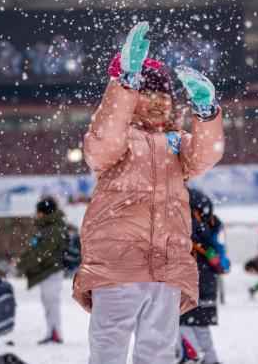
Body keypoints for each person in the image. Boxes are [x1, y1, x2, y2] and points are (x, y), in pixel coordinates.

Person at [72, 22, 224, 364]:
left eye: (164, 95)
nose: (157, 102)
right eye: (148, 93)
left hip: (167, 269)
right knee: (108, 350)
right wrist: (125, 82)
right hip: (118, 267)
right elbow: (103, 138)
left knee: (157, 353)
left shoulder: (176, 143)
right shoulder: (117, 140)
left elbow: (206, 154)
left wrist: (207, 111)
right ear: (131, 98)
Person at [179, 189, 229, 364]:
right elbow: (220, 250)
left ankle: (192, 355)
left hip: (190, 277)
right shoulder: (214, 223)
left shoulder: (186, 224)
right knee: (200, 323)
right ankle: (210, 357)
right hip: (208, 277)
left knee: (182, 321)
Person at [18, 196, 68, 345]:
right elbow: (38, 250)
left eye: (38, 212)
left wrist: (24, 263)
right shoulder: (48, 228)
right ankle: (51, 331)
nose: (36, 214)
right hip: (48, 270)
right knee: (48, 302)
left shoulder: (53, 229)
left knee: (51, 302)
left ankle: (55, 332)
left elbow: (42, 252)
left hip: (52, 271)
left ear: (44, 212)